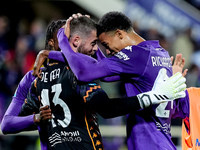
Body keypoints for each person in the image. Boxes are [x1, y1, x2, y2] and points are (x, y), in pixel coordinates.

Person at [33, 12, 189, 150]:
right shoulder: (160, 53)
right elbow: (106, 73)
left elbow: (83, 72)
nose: (106, 51)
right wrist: (49, 54)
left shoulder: (136, 56)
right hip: (163, 143)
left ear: (119, 34)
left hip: (149, 145)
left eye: (106, 45)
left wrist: (62, 40)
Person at [0, 20, 67, 134]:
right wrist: (36, 118)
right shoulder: (32, 77)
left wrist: (44, 53)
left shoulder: (80, 73)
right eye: (63, 37)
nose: (69, 43)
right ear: (52, 42)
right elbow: (6, 124)